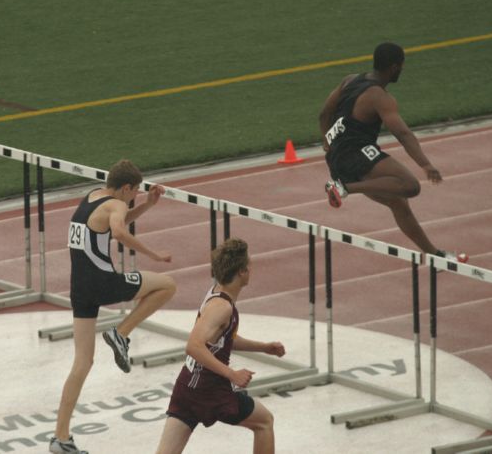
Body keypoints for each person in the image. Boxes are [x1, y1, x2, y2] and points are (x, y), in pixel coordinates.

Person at [50, 159, 177, 454]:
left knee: (82, 363)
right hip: (103, 283)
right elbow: (118, 231)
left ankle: (61, 438)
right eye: (134, 194)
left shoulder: (93, 196)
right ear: (126, 187)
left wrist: (148, 205)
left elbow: (115, 220)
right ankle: (121, 333)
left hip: (79, 290)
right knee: (167, 284)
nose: (133, 198)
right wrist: (154, 254)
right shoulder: (116, 206)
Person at [319, 42, 466, 262]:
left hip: (336, 159)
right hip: (355, 155)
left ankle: (435, 256)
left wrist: (327, 142)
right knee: (410, 186)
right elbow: (403, 134)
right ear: (395, 67)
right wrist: (425, 165)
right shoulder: (380, 97)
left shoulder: (349, 80)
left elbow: (324, 114)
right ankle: (344, 188)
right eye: (402, 66)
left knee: (398, 202)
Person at [155, 238, 285, 454]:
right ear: (242, 272)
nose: (252, 269)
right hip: (210, 390)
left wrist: (264, 347)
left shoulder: (216, 292)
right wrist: (232, 374)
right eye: (249, 265)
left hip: (187, 386)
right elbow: (194, 346)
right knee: (264, 422)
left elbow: (223, 340)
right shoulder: (221, 307)